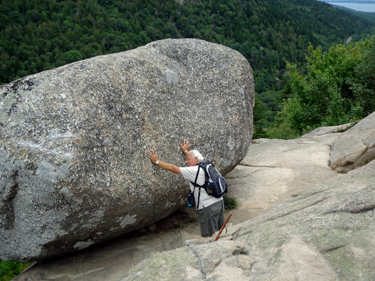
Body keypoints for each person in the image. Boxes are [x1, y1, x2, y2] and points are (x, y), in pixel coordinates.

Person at [148, 140, 225, 237]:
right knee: (221, 231)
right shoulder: (207, 166)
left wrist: (157, 161)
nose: (186, 161)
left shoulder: (194, 170)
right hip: (219, 202)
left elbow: (173, 168)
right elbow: (193, 158)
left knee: (210, 236)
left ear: (196, 159)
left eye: (188, 159)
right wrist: (186, 152)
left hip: (207, 207)